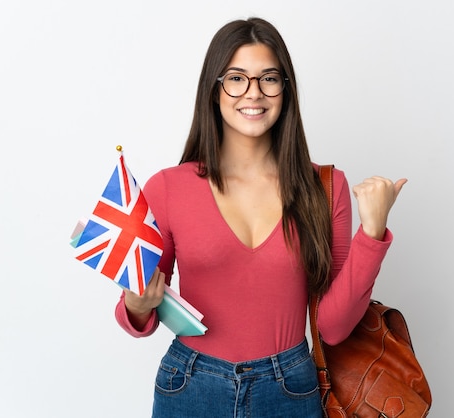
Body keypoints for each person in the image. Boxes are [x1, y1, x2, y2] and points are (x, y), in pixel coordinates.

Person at [115, 17, 406, 418]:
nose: (254, 93)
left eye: (269, 78)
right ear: (214, 89)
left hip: (291, 388)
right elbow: (136, 310)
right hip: (191, 385)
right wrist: (136, 303)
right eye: (237, 78)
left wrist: (371, 234)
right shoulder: (168, 187)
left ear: (285, 89)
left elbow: (334, 328)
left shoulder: (325, 186)